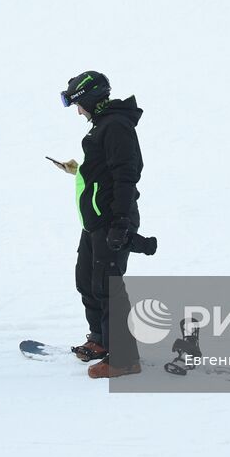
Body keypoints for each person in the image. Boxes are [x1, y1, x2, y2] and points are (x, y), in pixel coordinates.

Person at [54, 72, 146, 379]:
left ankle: (124, 358)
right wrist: (80, 171)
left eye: (79, 105)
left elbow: (126, 173)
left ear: (91, 100)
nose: (78, 111)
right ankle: (100, 339)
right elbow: (104, 171)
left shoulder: (116, 125)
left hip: (112, 220)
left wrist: (121, 221)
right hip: (95, 221)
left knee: (108, 287)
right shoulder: (103, 126)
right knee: (87, 281)